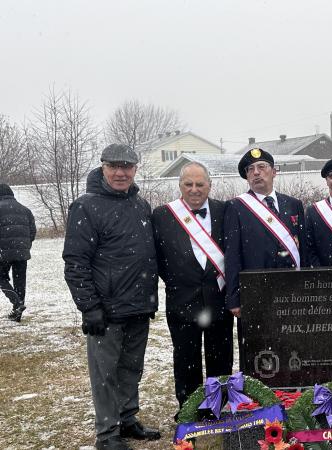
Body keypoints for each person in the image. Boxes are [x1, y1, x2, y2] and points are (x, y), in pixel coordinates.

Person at [63, 144, 161, 450]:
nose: (120, 173)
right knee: (105, 375)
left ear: (135, 170)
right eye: (114, 166)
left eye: (127, 167)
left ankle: (128, 418)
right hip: (106, 311)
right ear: (103, 168)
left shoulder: (141, 205)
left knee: (132, 368)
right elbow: (75, 262)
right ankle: (107, 434)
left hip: (138, 306)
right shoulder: (86, 206)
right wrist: (89, 307)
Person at [152, 162, 232, 415]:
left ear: (210, 185)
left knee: (220, 356)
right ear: (180, 186)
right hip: (181, 299)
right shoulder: (162, 215)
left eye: (200, 184)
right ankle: (188, 407)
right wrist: (180, 279)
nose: (194, 189)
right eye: (188, 184)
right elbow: (158, 259)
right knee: (186, 358)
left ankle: (217, 405)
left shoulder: (224, 210)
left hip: (218, 297)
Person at [224, 148, 306, 369]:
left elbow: (303, 249)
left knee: (293, 348)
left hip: (291, 291)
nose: (256, 173)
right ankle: (256, 399)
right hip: (255, 291)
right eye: (250, 170)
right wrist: (234, 297)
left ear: (274, 172)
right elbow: (232, 255)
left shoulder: (293, 205)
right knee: (257, 353)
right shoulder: (236, 207)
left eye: (262, 167)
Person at [0, 183, 36, 322]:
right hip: (22, 251)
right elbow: (32, 231)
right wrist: (25, 245)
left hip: (3, 251)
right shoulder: (25, 210)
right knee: (20, 281)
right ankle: (17, 314)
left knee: (1, 278)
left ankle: (17, 304)